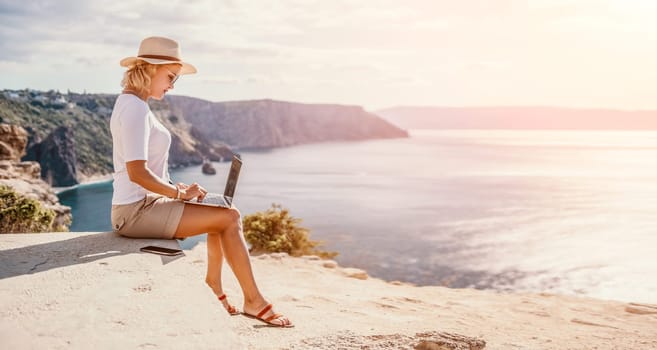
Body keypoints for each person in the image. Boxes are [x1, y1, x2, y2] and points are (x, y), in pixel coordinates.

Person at [109, 36, 293, 327]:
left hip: (144, 203)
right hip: (134, 212)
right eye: (170, 77)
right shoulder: (134, 108)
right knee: (229, 217)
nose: (171, 85)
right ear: (149, 69)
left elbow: (144, 174)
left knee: (221, 212)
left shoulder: (132, 103)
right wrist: (178, 193)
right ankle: (251, 301)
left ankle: (216, 288)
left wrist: (178, 191)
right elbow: (137, 173)